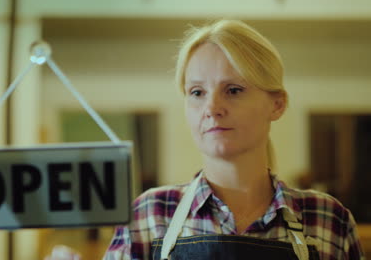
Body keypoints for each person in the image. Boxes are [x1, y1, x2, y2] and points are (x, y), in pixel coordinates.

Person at [47, 19, 365, 260]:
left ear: (277, 104)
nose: (212, 108)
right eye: (197, 93)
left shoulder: (327, 219)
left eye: (234, 90)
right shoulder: (150, 215)